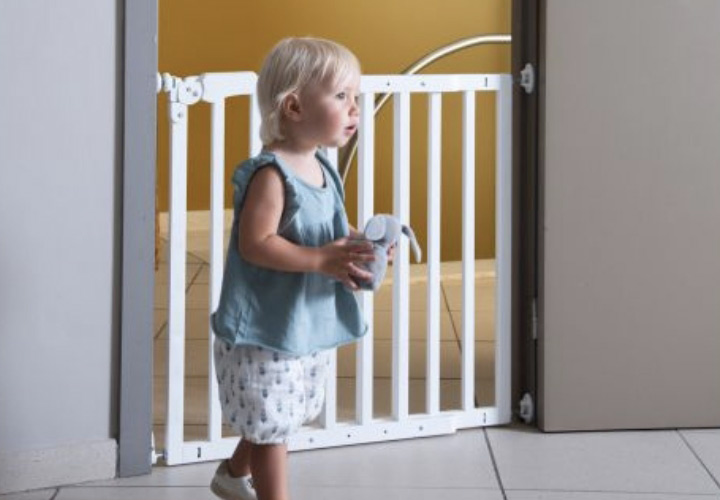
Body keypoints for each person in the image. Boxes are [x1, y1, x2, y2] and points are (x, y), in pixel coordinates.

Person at [209, 37, 390, 500]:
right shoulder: (271, 175)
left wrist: (356, 244)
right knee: (274, 428)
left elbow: (324, 227)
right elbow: (255, 244)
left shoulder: (323, 169)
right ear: (293, 107)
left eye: (356, 97)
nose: (355, 108)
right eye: (341, 97)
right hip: (265, 326)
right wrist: (318, 260)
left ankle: (231, 474)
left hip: (300, 320)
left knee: (281, 412)